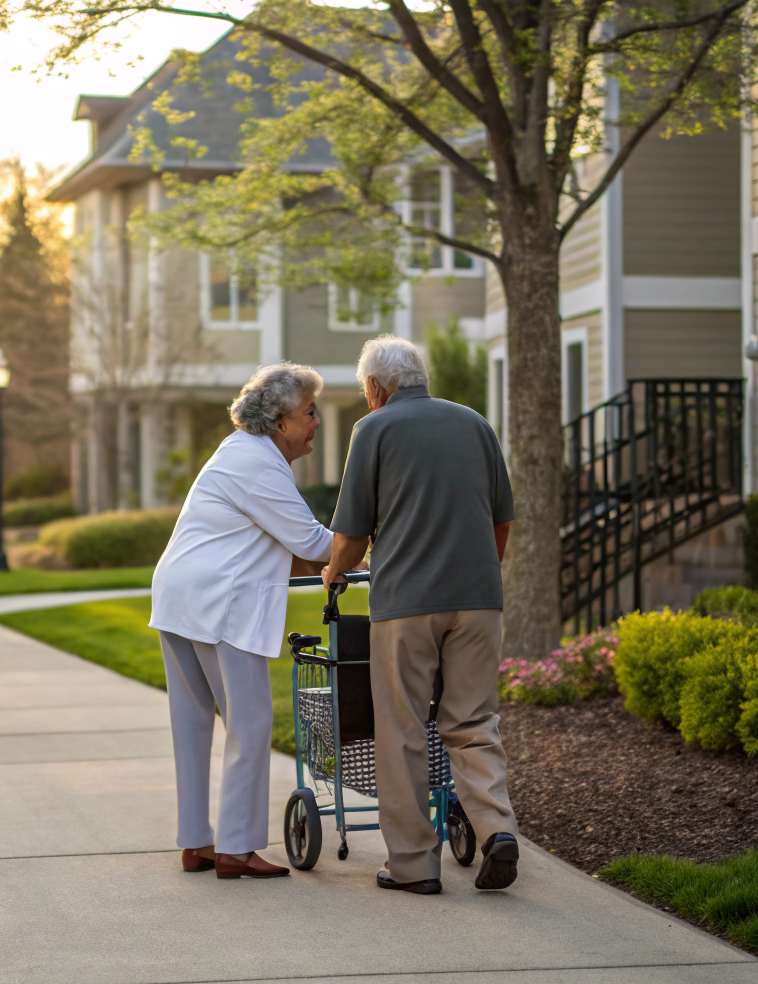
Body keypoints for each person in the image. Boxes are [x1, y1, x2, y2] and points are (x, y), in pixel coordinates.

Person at [323, 335, 519, 894]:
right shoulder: (476, 424)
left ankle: (412, 865)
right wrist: (482, 574)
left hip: (407, 604)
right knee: (473, 721)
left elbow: (354, 534)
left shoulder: (374, 429)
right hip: (479, 600)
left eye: (365, 389)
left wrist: (335, 570)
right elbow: (501, 519)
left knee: (404, 726)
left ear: (376, 387)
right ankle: (497, 830)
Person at [151, 362, 334, 880]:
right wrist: (370, 550)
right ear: (279, 421)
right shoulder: (259, 461)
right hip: (218, 604)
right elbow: (312, 542)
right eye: (309, 413)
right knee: (250, 722)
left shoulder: (237, 453)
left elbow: (274, 539)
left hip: (180, 597)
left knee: (191, 723)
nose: (315, 422)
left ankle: (197, 843)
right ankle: (237, 847)